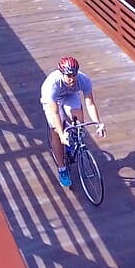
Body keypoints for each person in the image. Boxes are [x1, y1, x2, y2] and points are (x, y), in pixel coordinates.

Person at [41, 56, 106, 187]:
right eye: (68, 76)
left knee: (79, 124)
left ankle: (74, 142)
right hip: (53, 100)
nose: (72, 79)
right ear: (61, 74)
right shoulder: (51, 85)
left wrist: (98, 124)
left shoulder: (84, 80)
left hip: (70, 95)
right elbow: (55, 113)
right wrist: (61, 134)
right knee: (56, 131)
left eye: (74, 75)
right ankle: (62, 169)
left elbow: (90, 104)